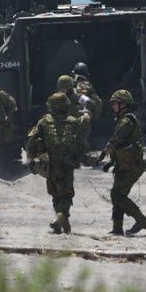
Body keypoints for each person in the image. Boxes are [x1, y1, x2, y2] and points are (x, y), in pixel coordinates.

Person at [25, 92, 85, 234]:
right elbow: (81, 143)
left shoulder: (43, 122)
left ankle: (61, 219)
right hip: (67, 163)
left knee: (56, 193)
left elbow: (31, 141)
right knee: (66, 193)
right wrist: (78, 160)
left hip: (49, 163)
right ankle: (62, 219)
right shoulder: (73, 121)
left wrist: (31, 160)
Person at [103, 90, 146, 235]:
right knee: (116, 194)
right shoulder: (122, 120)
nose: (113, 106)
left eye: (115, 103)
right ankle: (117, 228)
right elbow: (120, 145)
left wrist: (107, 151)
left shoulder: (126, 121)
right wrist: (111, 162)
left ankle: (141, 220)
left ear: (123, 104)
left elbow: (116, 141)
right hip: (124, 164)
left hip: (131, 166)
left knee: (118, 196)